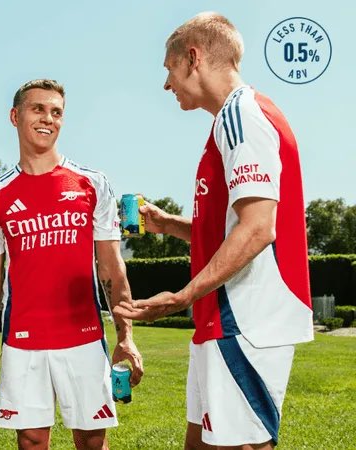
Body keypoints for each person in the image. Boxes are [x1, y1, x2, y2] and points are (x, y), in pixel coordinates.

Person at [113, 12, 313, 450]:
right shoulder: (227, 122)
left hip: (246, 318)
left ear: (193, 57)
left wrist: (182, 296)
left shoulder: (241, 115)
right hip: (221, 320)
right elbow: (231, 228)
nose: (167, 85)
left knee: (241, 444)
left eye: (169, 70)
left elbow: (259, 228)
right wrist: (168, 225)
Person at [0, 79, 144, 450]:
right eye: (38, 109)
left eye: (56, 112)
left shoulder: (92, 184)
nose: (48, 118)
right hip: (23, 340)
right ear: (15, 116)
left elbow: (112, 268)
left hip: (82, 336)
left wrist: (126, 335)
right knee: (31, 441)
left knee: (92, 440)